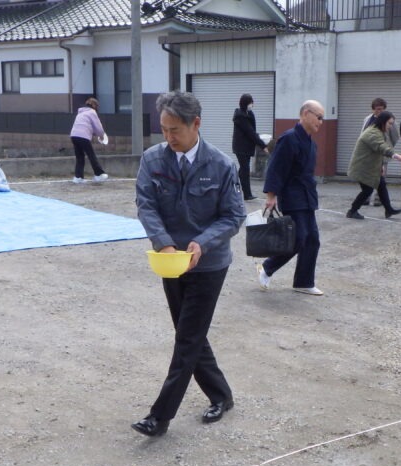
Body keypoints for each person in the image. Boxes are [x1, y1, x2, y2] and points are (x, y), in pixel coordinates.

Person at [132, 90, 245, 437]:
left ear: (196, 124)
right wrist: (164, 243)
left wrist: (203, 242)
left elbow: (234, 216)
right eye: (164, 130)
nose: (169, 137)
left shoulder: (221, 164)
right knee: (190, 334)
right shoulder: (153, 159)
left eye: (175, 130)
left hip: (209, 265)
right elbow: (146, 204)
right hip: (170, 262)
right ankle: (221, 395)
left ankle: (159, 416)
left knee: (187, 338)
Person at [257, 100, 325, 296]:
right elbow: (276, 168)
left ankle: (304, 282)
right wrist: (271, 195)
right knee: (298, 238)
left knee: (312, 240)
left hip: (307, 196)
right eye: (318, 117)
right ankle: (267, 268)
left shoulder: (311, 143)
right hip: (292, 196)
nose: (320, 122)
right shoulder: (289, 138)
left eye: (322, 119)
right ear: (305, 114)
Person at [346, 112, 401, 220]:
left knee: (381, 184)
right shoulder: (372, 133)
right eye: (389, 123)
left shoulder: (378, 131)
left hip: (370, 167)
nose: (390, 126)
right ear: (383, 122)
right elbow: (381, 147)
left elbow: (377, 151)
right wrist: (396, 156)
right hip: (362, 167)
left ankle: (388, 209)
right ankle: (352, 211)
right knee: (368, 190)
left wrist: (381, 165)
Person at [361, 98, 400, 207]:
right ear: (373, 109)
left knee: (381, 177)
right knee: (367, 176)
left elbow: (395, 136)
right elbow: (363, 134)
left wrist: (387, 147)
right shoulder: (368, 119)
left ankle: (379, 199)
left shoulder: (389, 120)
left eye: (382, 109)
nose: (379, 111)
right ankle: (366, 196)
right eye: (377, 109)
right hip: (368, 153)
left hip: (382, 152)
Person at [232, 93, 268, 201]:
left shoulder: (248, 113)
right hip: (241, 147)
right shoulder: (240, 116)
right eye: (251, 102)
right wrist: (263, 145)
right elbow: (250, 132)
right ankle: (247, 194)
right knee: (245, 170)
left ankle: (233, 187)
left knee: (243, 170)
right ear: (246, 103)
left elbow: (252, 131)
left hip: (246, 147)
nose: (252, 104)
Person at [69, 97, 108, 183]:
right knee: (91, 155)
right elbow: (98, 127)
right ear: (94, 105)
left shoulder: (80, 113)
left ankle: (78, 177)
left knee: (80, 157)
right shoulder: (92, 112)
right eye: (97, 106)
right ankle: (99, 174)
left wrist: (94, 133)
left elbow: (86, 126)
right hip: (83, 136)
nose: (97, 108)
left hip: (74, 135)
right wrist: (102, 136)